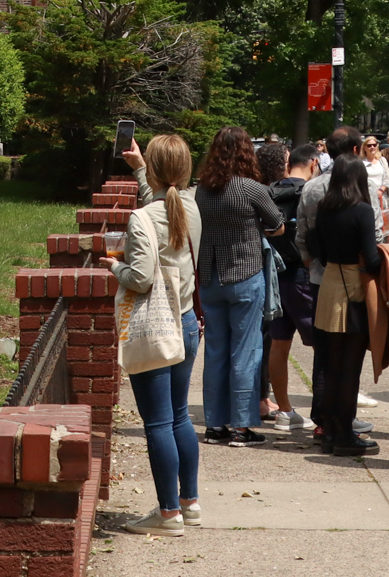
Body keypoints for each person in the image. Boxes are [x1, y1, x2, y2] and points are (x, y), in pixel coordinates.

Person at [112, 133, 201, 534]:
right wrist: (141, 170)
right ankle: (189, 502)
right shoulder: (192, 207)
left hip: (155, 327)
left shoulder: (141, 218)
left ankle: (167, 515)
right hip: (185, 322)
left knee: (157, 423)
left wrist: (113, 268)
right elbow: (162, 199)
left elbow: (142, 278)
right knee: (180, 416)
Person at [298, 124, 388, 441]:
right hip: (353, 287)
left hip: (327, 283)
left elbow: (310, 246)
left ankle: (328, 424)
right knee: (351, 364)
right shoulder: (362, 210)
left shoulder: (321, 205)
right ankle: (345, 430)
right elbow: (373, 251)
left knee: (328, 361)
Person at [195, 125, 283, 445]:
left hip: (210, 276)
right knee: (246, 352)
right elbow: (277, 225)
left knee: (216, 351)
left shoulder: (202, 190)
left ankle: (215, 424)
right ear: (246, 152)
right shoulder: (251, 189)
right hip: (245, 275)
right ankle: (242, 426)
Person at [263, 141, 317, 431]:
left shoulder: (270, 191)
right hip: (303, 276)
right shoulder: (311, 191)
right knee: (323, 346)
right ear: (313, 163)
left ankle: (284, 409)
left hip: (274, 276)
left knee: (279, 346)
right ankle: (327, 411)